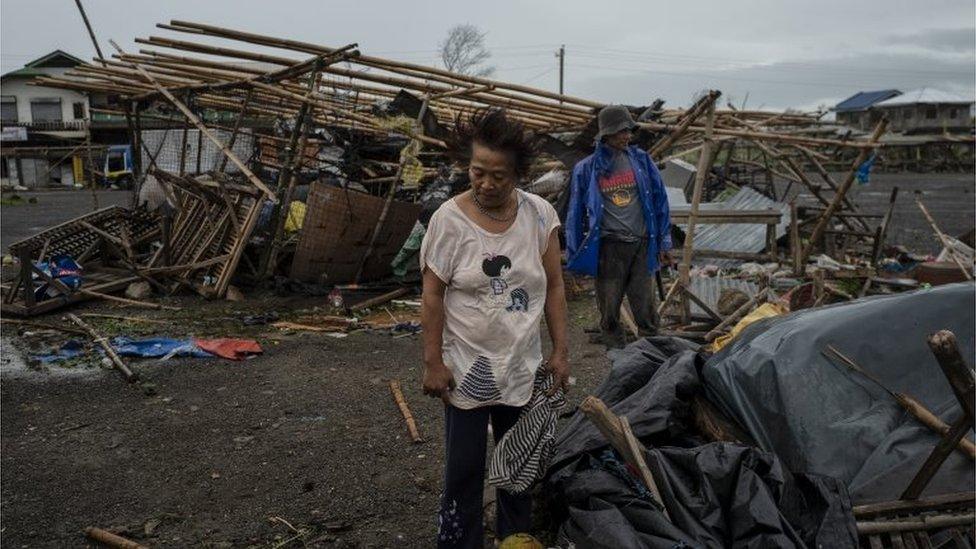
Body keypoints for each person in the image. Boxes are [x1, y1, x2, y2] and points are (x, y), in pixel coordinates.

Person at [419, 108, 570, 548]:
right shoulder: (449, 220)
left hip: (522, 365)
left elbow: (556, 286)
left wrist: (560, 353)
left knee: (518, 464)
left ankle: (515, 539)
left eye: (498, 176)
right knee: (464, 469)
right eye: (477, 172)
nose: (485, 183)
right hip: (467, 367)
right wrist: (433, 362)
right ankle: (459, 541)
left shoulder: (540, 216)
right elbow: (431, 295)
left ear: (518, 175)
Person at [565, 105, 672, 348]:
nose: (627, 136)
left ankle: (653, 362)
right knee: (610, 311)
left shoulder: (642, 161)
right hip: (609, 248)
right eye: (621, 131)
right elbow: (575, 214)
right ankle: (618, 362)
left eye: (628, 131)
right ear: (606, 134)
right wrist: (575, 255)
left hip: (642, 245)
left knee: (646, 310)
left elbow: (659, 201)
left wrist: (664, 242)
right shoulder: (587, 169)